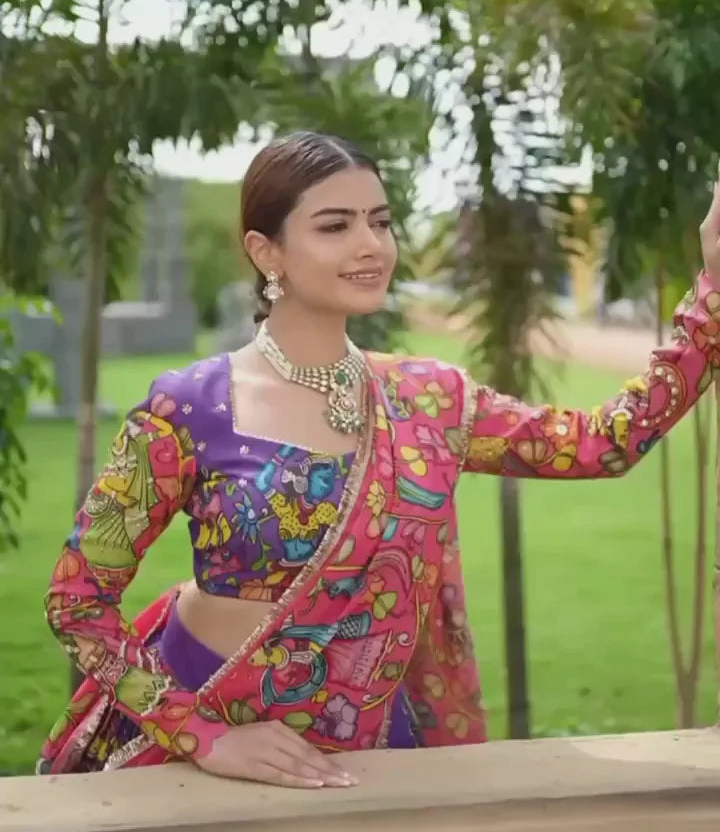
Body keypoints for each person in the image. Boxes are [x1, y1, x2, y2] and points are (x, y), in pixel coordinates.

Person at [39, 132, 720, 787]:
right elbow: (78, 600)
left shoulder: (431, 400)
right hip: (206, 733)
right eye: (335, 226)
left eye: (381, 221)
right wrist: (201, 734)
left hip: (372, 748)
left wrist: (712, 292)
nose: (371, 245)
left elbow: (602, 443)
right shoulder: (192, 408)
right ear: (266, 251)